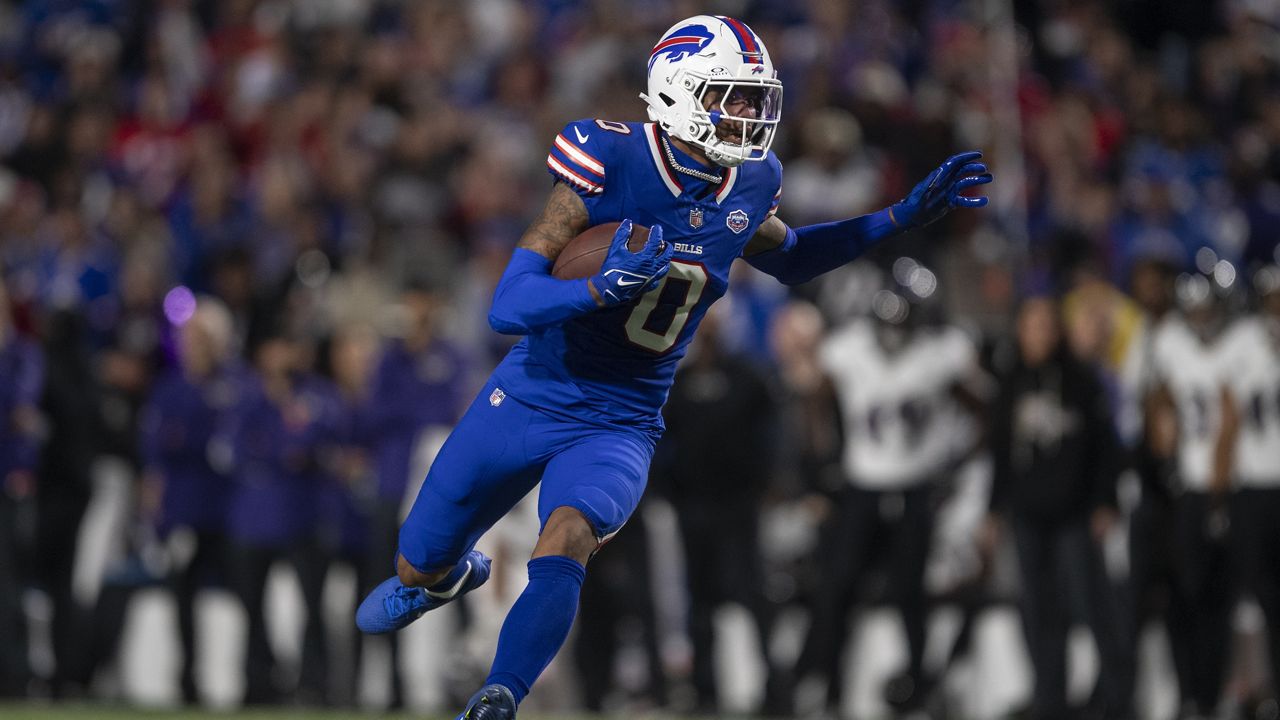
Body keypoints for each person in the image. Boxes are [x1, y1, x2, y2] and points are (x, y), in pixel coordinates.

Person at [354, 15, 992, 720]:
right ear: (678, 91)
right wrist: (597, 287)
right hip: (532, 389)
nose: (751, 114)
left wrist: (896, 218)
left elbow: (796, 257)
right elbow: (507, 306)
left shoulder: (750, 184)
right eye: (733, 95)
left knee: (566, 535)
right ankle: (442, 579)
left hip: (622, 416)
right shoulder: (609, 159)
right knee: (416, 561)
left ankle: (502, 691)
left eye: (757, 99)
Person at [795, 261, 984, 717]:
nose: (896, 332)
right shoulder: (849, 349)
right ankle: (828, 686)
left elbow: (982, 408)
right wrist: (824, 465)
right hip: (862, 485)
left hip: (916, 486)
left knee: (909, 593)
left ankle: (918, 686)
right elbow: (815, 403)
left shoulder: (941, 352)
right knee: (839, 586)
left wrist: (954, 461)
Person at [984, 294, 1130, 720]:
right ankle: (1051, 701)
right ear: (1019, 331)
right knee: (1038, 611)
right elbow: (1000, 451)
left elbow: (1107, 449)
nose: (1041, 334)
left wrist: (1106, 501)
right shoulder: (1011, 382)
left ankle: (1117, 699)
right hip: (1029, 514)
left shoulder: (1082, 380)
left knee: (1093, 605)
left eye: (1048, 325)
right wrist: (993, 511)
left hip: (1077, 511)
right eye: (1033, 326)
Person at [1148, 268, 1238, 718]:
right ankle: (1189, 694)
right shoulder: (1169, 342)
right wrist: (1162, 425)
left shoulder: (1242, 346)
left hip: (1230, 487)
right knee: (1181, 594)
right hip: (1182, 488)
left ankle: (1211, 695)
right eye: (1195, 309)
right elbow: (1158, 402)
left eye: (1208, 308)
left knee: (1219, 598)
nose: (1202, 317)